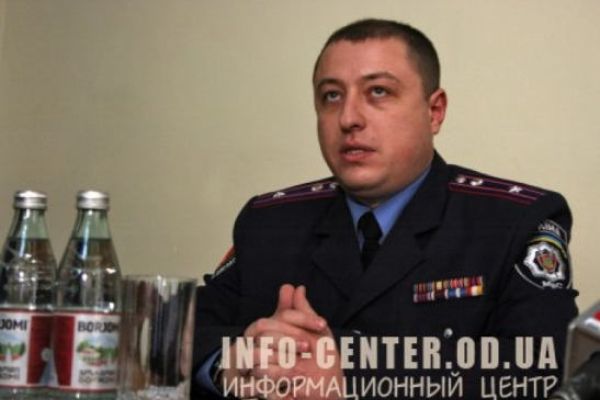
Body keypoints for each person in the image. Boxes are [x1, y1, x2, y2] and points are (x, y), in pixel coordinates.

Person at [192, 19, 578, 400]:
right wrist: (231, 364)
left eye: (378, 92)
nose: (349, 118)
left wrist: (349, 372)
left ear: (434, 111)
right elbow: (184, 330)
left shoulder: (513, 221)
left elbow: (542, 367)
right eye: (331, 96)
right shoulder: (271, 222)